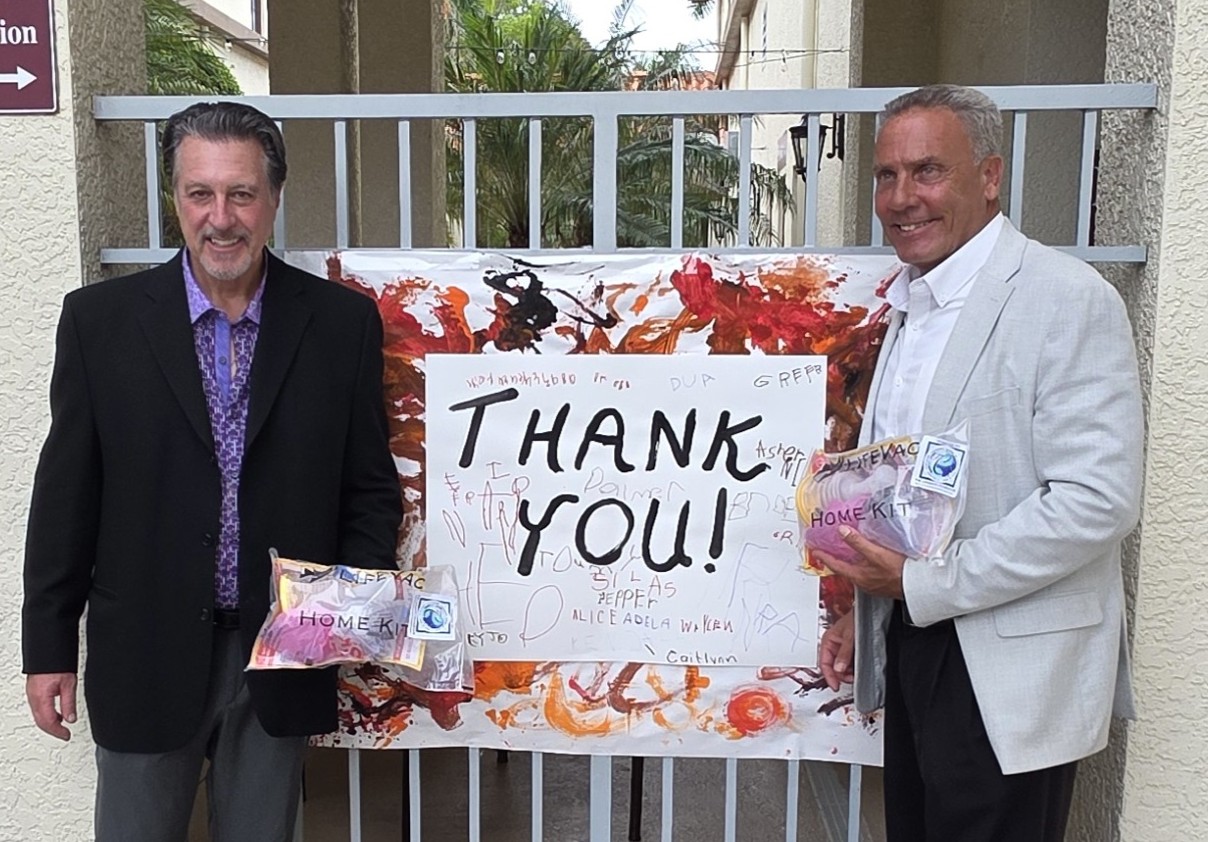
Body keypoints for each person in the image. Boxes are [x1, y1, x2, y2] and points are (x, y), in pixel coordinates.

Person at [22, 102, 403, 841]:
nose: (220, 217)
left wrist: (347, 622)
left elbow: (368, 489)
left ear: (274, 199)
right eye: (200, 193)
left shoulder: (339, 326)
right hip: (144, 653)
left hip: (283, 653)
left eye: (241, 194)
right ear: (175, 200)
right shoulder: (99, 324)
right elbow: (66, 496)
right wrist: (48, 647)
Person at [816, 85, 1143, 841]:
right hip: (917, 641)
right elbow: (906, 494)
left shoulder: (1068, 300)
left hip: (1011, 676)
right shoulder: (908, 307)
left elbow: (1095, 500)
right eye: (885, 176)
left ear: (989, 177)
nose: (901, 199)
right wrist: (867, 613)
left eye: (928, 171)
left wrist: (923, 584)